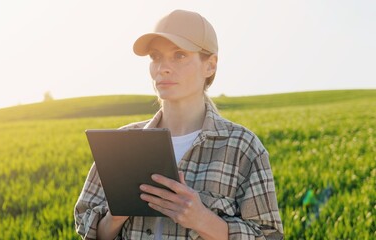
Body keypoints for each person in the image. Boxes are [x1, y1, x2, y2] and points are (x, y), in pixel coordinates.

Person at [75, 9, 284, 239]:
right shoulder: (121, 143)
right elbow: (88, 229)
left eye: (180, 55)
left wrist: (203, 219)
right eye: (155, 56)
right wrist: (114, 217)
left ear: (210, 65)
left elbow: (269, 235)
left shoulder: (242, 147)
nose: (163, 67)